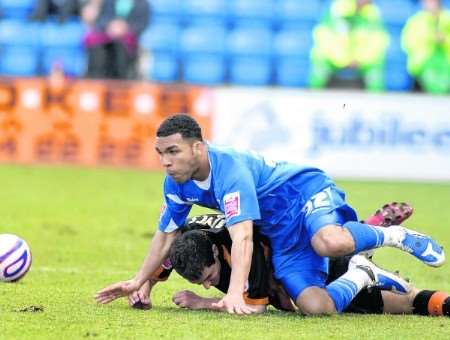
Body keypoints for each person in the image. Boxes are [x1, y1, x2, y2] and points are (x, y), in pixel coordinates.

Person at [95, 114, 445, 316]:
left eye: (173, 151)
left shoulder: (229, 170)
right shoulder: (175, 183)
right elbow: (166, 235)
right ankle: (363, 271)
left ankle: (397, 237)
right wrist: (139, 281)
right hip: (280, 232)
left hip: (304, 192)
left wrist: (231, 295)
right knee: (314, 307)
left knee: (328, 241)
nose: (165, 161)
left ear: (198, 148)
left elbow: (243, 237)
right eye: (160, 153)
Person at [131, 205, 449, 317]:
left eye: (210, 277)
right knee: (394, 302)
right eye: (201, 283)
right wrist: (143, 286)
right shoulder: (188, 241)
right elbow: (164, 256)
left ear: (218, 252)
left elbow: (254, 307)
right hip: (291, 258)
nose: (207, 284)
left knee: (397, 303)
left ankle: (364, 259)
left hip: (303, 262)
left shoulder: (244, 249)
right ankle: (369, 232)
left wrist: (202, 302)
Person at [309, 0, 389, 91]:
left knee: (376, 65)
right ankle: (314, 95)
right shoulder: (336, 10)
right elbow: (324, 38)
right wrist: (344, 60)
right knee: (320, 58)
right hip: (336, 58)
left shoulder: (373, 14)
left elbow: (378, 41)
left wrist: (360, 59)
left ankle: (376, 101)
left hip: (361, 61)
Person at [83, 0, 150, 79]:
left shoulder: (142, 4)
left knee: (120, 47)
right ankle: (95, 78)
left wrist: (125, 27)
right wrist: (110, 26)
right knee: (97, 45)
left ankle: (121, 80)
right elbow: (101, 19)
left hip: (128, 37)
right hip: (108, 34)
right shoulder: (109, 2)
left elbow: (142, 24)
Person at [401, 0, 450, 94]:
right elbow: (408, 43)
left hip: (446, 69)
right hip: (421, 69)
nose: (429, 4)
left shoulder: (448, 19)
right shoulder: (415, 21)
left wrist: (444, 40)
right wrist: (430, 38)